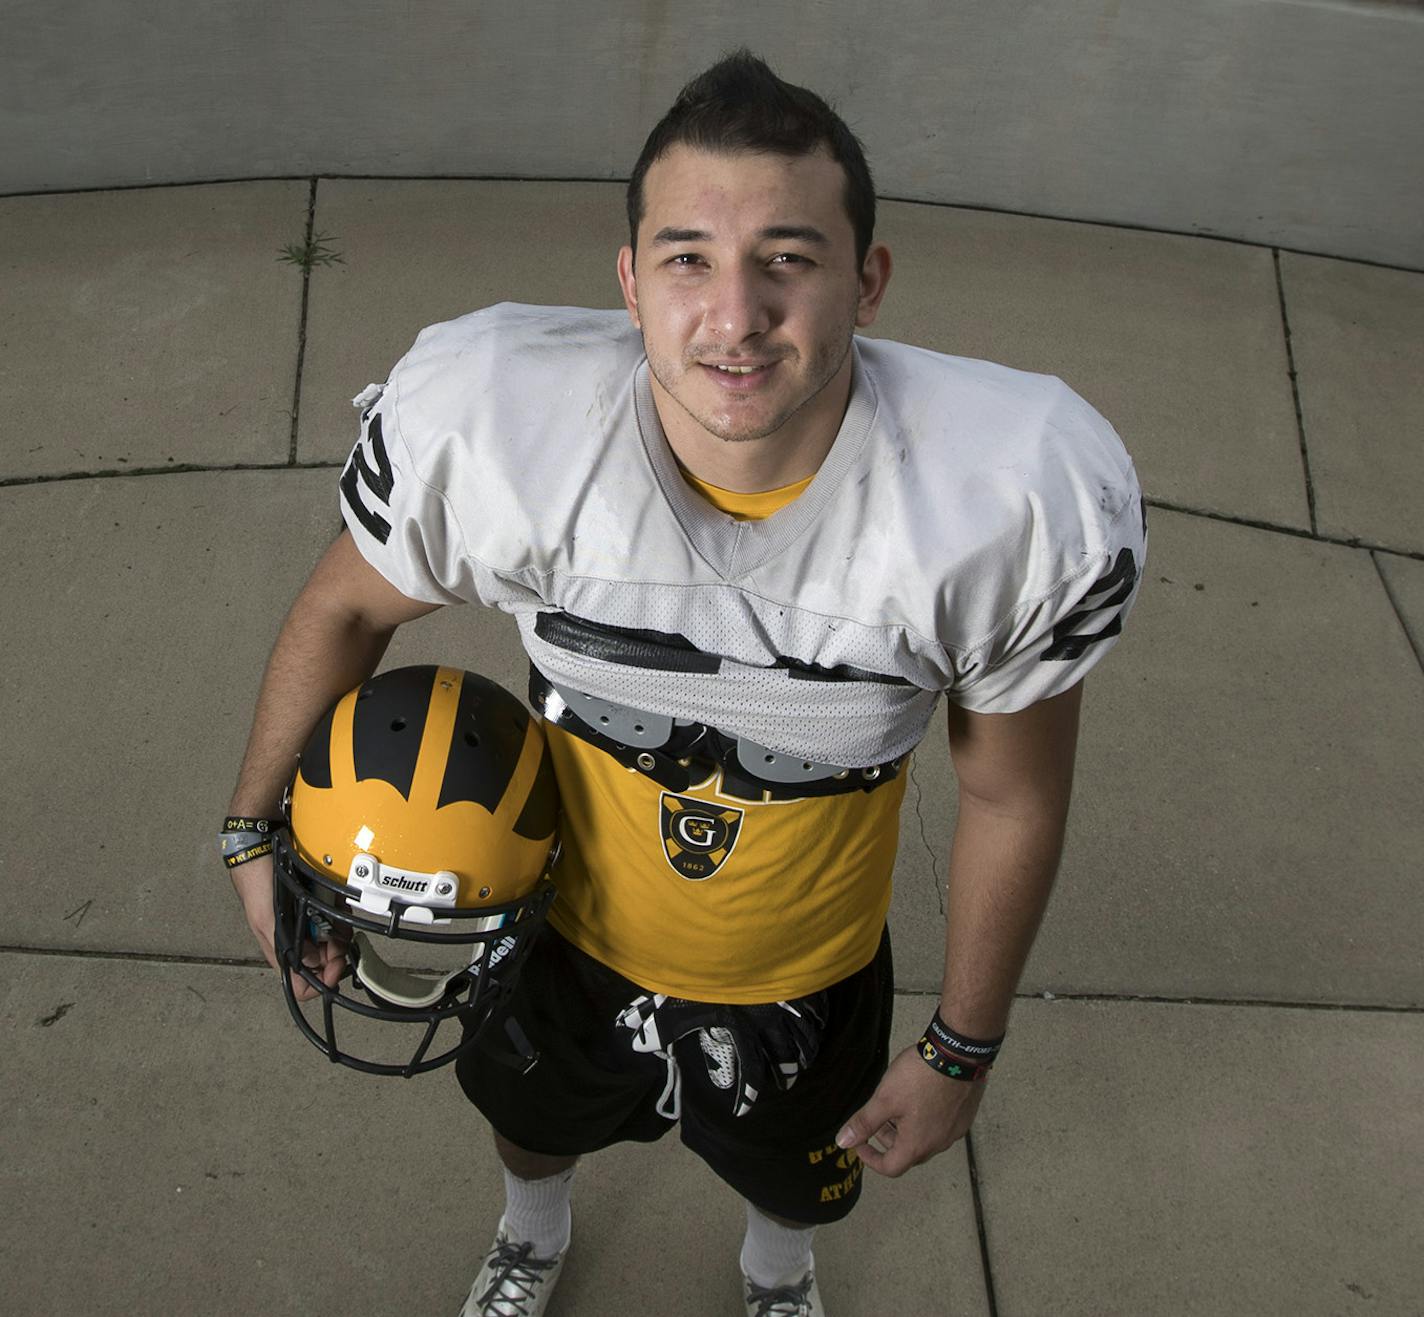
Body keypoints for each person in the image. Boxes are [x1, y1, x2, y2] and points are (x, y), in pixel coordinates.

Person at [225, 49, 1144, 1317]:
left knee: (798, 1181)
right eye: (686, 260)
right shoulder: (506, 427)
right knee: (530, 1125)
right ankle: (531, 1236)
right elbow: (344, 603)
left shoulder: (1001, 502)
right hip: (558, 934)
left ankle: (778, 1273)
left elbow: (1010, 798)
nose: (732, 315)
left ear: (864, 281)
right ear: (628, 283)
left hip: (808, 969)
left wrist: (959, 1044)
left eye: (786, 257)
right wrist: (247, 823)